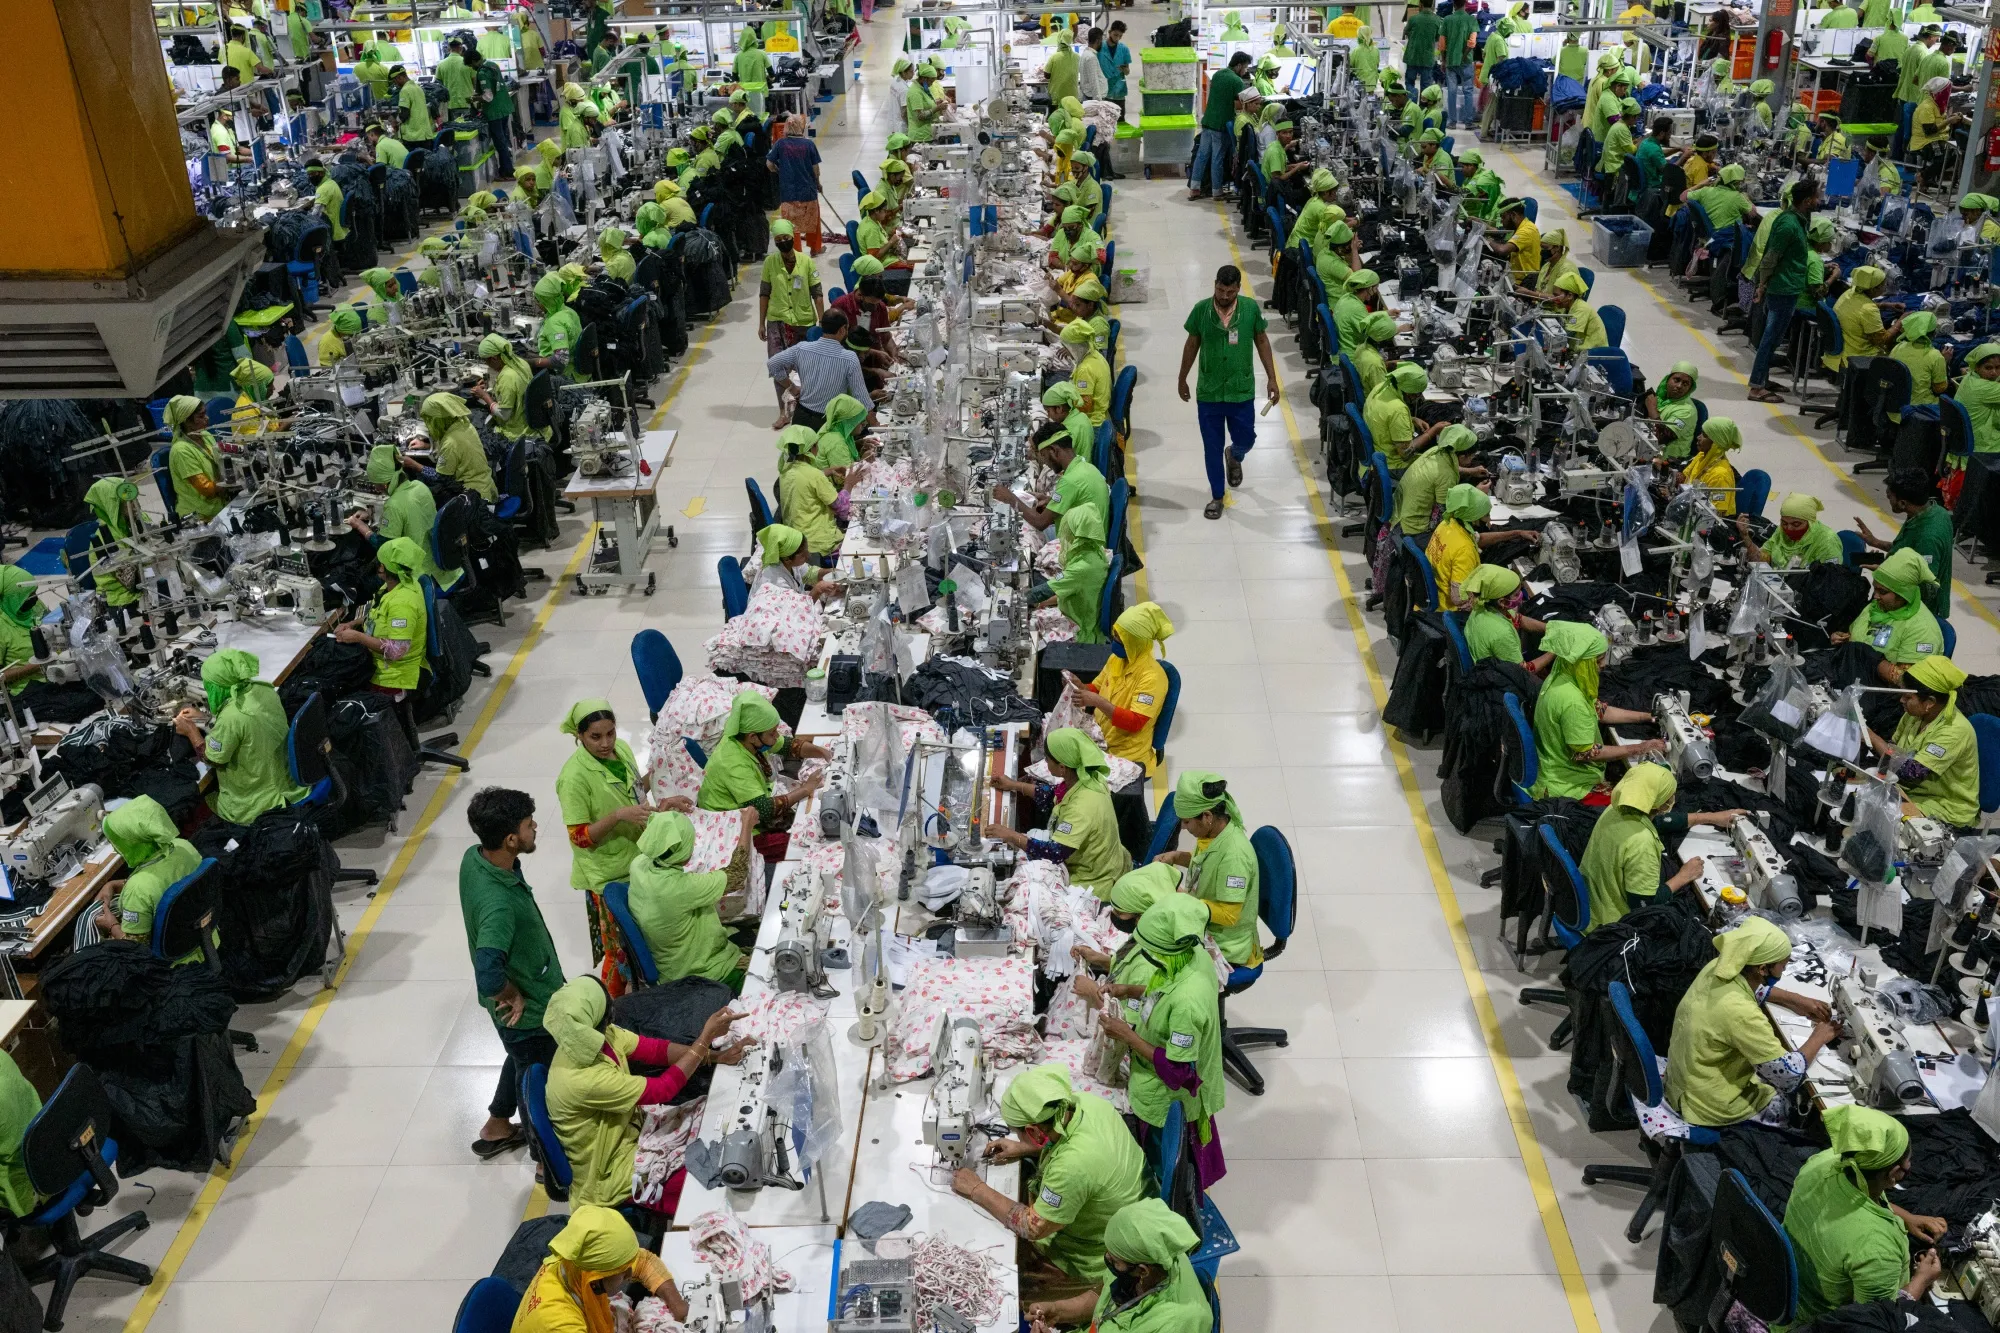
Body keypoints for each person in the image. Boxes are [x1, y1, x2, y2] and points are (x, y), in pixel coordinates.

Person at [950, 1062, 1148, 1303]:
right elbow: (1072, 1145)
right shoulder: (1087, 1104)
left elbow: (1032, 1227)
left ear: (1034, 1131)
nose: (1017, 1136)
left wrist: (977, 1189)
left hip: (1095, 1255)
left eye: (1018, 1132)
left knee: (997, 1285)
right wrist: (1025, 1147)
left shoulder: (1072, 1167)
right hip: (1129, 1213)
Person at [544, 974, 743, 1212]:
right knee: (709, 1178)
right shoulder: (581, 1079)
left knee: (713, 1116)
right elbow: (662, 1089)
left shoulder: (593, 1036)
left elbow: (656, 1050)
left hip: (631, 1128)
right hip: (609, 1169)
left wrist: (716, 1057)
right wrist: (704, 1040)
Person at [1071, 896, 1223, 1188]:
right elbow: (1166, 986)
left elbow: (1179, 1071)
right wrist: (1131, 990)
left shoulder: (1187, 1006)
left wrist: (1127, 1035)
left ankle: (1170, 1206)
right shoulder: (1193, 956)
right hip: (1166, 1070)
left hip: (1169, 1097)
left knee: (1166, 1167)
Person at [458, 787, 563, 1159]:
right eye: (528, 824)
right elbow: (488, 973)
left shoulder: (475, 859)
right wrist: (512, 993)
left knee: (518, 1055)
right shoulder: (498, 903)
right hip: (530, 1011)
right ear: (510, 839)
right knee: (538, 1080)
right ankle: (542, 1157)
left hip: (513, 1018)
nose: (535, 827)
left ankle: (497, 1125)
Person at [1664, 916, 1839, 1130]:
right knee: (1798, 1107)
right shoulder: (1742, 1014)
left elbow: (1754, 989)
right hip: (1709, 1104)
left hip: (1685, 1079)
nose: (1784, 970)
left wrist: (1795, 1000)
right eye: (1783, 965)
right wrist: (1820, 1035)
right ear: (1763, 969)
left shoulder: (1718, 968)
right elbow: (1789, 1076)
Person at [1784, 1106, 1947, 1327]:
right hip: (1815, 1322)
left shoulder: (1822, 1163)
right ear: (1893, 1175)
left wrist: (1907, 1217)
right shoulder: (1877, 1249)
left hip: (1786, 1288)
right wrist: (1922, 1279)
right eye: (1906, 1166)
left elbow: (1853, 1195)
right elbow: (1874, 1321)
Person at [556, 699, 666, 980]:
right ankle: (611, 1005)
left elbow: (634, 791)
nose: (606, 743)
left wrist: (656, 775)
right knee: (620, 950)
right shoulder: (573, 778)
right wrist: (618, 816)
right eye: (595, 737)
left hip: (636, 856)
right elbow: (579, 837)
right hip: (609, 871)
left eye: (610, 733)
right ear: (579, 736)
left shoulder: (623, 751)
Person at [1579, 766, 1746, 927]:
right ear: (1663, 804)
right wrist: (1684, 875)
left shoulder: (1616, 809)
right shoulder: (1642, 843)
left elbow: (1661, 821)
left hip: (1590, 903)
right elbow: (1644, 905)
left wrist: (1711, 817)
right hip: (1613, 922)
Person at [1176, 266, 1279, 521]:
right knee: (1211, 448)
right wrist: (1182, 377)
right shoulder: (1201, 310)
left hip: (1240, 390)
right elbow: (1192, 343)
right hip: (1209, 392)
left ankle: (1235, 455)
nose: (1224, 296)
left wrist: (1272, 378)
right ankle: (1217, 496)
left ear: (1238, 289)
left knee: (1247, 438)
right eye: (1220, 290)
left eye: (1229, 292)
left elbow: (1262, 340)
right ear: (1214, 285)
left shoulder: (1250, 309)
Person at [1025, 1199, 1213, 1333]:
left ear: (1142, 1271)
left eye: (1114, 1261)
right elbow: (1105, 1295)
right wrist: (1058, 1311)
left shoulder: (1173, 1324)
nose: (1107, 1260)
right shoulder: (1156, 1251)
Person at [172, 649, 307, 828]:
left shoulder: (232, 717)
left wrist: (191, 731)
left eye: (209, 685)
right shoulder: (263, 689)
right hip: (287, 779)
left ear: (218, 686)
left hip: (258, 801)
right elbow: (246, 724)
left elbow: (212, 759)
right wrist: (207, 718)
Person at [1532, 621, 1665, 800]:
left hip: (1553, 767)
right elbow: (1586, 753)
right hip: (1567, 785)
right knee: (1642, 805)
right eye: (1598, 660)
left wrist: (1646, 716)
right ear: (1581, 663)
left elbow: (1600, 710)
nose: (1602, 665)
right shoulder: (1572, 701)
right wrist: (1640, 748)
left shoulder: (1562, 675)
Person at [989, 729, 1130, 897]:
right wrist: (1014, 785)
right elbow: (1054, 794)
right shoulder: (1086, 778)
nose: (1046, 763)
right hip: (1108, 860)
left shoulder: (1081, 808)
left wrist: (1011, 836)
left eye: (1048, 759)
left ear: (1062, 768)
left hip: (1093, 879)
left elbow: (1055, 852)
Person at [696, 690, 830, 859]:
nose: (777, 736)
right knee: (800, 845)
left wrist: (823, 752)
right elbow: (763, 809)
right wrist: (806, 789)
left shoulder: (748, 739)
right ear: (753, 736)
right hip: (733, 826)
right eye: (772, 733)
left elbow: (788, 746)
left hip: (753, 805)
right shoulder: (733, 764)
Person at [511, 1205, 686, 1333]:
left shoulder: (576, 1261)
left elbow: (645, 1262)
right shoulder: (562, 1323)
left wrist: (677, 1305)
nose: (630, 1274)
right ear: (595, 1279)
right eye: (623, 1272)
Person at [628, 810, 752, 989]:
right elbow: (737, 874)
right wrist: (747, 823)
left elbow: (661, 835)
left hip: (668, 963)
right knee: (765, 973)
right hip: (697, 971)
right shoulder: (680, 888)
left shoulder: (638, 864)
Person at [1156, 770, 1260, 968]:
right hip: (1203, 919)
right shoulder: (1211, 834)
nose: (1184, 828)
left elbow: (1229, 915)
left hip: (1225, 944)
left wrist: (1185, 901)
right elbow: (1207, 863)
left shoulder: (1234, 856)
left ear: (1207, 816)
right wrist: (1177, 857)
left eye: (1186, 821)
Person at [1865, 655, 1979, 827]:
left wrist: (1870, 736)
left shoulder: (1954, 731)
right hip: (1910, 792)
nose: (1901, 700)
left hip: (1944, 807)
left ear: (1930, 702)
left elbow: (1910, 773)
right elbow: (1892, 748)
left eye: (1908, 697)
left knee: (1878, 819)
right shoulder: (1915, 715)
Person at [88, 796, 205, 962]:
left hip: (171, 962)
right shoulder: (182, 846)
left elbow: (136, 949)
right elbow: (166, 880)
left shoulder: (138, 889)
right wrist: (113, 884)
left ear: (131, 841)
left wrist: (112, 925)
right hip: (203, 936)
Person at [1061, 602, 1174, 775]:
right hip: (1101, 737)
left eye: (1120, 637)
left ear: (1136, 642)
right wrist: (1081, 686)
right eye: (1115, 634)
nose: (1115, 640)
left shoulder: (1152, 678)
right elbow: (1097, 687)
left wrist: (1096, 701)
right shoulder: (1117, 659)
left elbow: (1134, 722)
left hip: (1126, 755)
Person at [1748, 175, 1817, 403]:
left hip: (1787, 286)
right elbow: (1771, 257)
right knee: (1770, 338)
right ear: (1807, 201)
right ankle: (1757, 387)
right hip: (1782, 288)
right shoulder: (1788, 225)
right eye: (1816, 197)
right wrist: (1762, 284)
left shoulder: (1796, 220)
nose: (1819, 201)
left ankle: (1763, 379)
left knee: (1774, 338)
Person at [995, 391, 1105, 531]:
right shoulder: (1084, 467)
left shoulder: (1070, 481)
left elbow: (1040, 523)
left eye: (1043, 456)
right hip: (1086, 532)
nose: (1045, 463)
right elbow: (1075, 500)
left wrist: (1010, 498)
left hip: (1080, 548)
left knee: (1027, 532)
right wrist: (1050, 501)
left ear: (1053, 450)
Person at [334, 537, 427, 698]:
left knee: (339, 686)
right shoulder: (395, 585)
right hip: (378, 661)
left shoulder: (402, 603)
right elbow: (379, 614)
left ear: (382, 568)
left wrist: (358, 637)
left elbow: (395, 651)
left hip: (394, 677)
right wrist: (353, 623)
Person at [1836, 548, 1945, 682]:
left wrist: (1868, 657)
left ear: (1903, 594)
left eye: (1882, 592)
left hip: (1885, 692)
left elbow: (1907, 680)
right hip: (1855, 674)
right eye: (1875, 588)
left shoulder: (1922, 629)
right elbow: (1858, 636)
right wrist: (1844, 639)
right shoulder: (1878, 607)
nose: (1875, 596)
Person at [1856, 469, 1953, 618]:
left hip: (1914, 611)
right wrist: (1876, 542)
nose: (1888, 500)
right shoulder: (1932, 511)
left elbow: (1927, 588)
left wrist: (1886, 573)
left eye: (1889, 497)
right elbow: (1907, 549)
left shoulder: (1927, 537)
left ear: (1902, 503)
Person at [759, 221, 825, 427]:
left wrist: (822, 322)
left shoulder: (806, 262)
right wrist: (761, 323)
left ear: (793, 237)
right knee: (778, 365)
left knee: (806, 367)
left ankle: (807, 407)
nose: (783, 243)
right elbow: (764, 293)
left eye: (786, 238)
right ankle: (784, 410)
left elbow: (818, 293)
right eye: (778, 241)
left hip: (803, 323)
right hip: (777, 322)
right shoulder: (770, 263)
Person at [765, 310, 872, 431]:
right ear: (842, 329)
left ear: (822, 326)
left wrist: (793, 388)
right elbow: (862, 398)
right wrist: (876, 424)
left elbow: (772, 364)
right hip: (829, 424)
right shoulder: (849, 358)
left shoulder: (801, 348)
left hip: (801, 419)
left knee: (800, 449)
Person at [1394, 423, 1486, 537]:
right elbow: (1444, 516)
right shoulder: (1447, 476)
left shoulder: (1436, 451)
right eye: (1472, 457)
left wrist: (1470, 471)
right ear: (1462, 457)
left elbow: (1447, 468)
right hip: (1414, 527)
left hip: (1401, 512)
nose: (1472, 460)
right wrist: (1476, 494)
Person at [411, 392, 498, 502]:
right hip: (487, 487)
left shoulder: (450, 443)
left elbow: (440, 477)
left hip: (475, 499)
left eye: (429, 420)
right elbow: (458, 449)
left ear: (438, 420)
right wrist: (427, 445)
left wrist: (414, 465)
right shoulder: (465, 425)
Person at [1459, 565, 1550, 669]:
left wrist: (1550, 628)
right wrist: (1554, 651)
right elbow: (1523, 672)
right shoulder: (1502, 633)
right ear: (1502, 601)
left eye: (1521, 591)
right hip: (1498, 678)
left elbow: (1519, 619)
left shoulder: (1482, 606)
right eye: (1516, 595)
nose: (1521, 596)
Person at [1190, 52, 1251, 200]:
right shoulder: (1237, 81)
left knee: (1202, 155)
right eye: (1245, 67)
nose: (1246, 71)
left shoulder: (1218, 74)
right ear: (1239, 65)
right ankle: (1217, 191)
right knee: (1217, 157)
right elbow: (1238, 105)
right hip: (1220, 124)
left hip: (1208, 120)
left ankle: (1194, 188)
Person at [160, 396, 232, 522]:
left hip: (221, 504)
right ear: (187, 421)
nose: (207, 418)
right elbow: (207, 489)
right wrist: (234, 480)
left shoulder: (206, 435)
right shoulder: (181, 451)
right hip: (200, 515)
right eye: (201, 416)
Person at [1365, 362, 1443, 473]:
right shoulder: (1398, 410)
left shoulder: (1381, 387)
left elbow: (1385, 416)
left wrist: (1411, 419)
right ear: (1408, 392)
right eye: (1417, 394)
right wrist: (1432, 432)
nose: (1419, 398)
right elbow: (1406, 454)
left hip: (1377, 450)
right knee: (1442, 468)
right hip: (1393, 466)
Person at [777, 431, 843, 556]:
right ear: (811, 448)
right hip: (818, 543)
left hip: (797, 538)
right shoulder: (814, 475)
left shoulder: (785, 471)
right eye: (816, 445)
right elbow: (840, 507)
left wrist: (827, 471)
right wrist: (849, 484)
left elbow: (804, 479)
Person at [1825, 266, 1900, 372]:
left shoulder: (1849, 293)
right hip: (1857, 354)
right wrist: (1901, 321)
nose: (1885, 287)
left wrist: (1884, 305)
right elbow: (1881, 340)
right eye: (1883, 285)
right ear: (1874, 289)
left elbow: (1858, 307)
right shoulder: (1869, 310)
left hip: (1843, 347)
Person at [766, 116, 824, 255]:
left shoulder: (780, 144)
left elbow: (769, 164)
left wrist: (778, 171)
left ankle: (796, 251)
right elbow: (815, 168)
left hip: (788, 192)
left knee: (791, 224)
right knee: (813, 219)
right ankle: (815, 248)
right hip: (808, 190)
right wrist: (818, 183)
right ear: (801, 127)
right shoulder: (808, 144)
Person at [1740, 492, 1843, 568]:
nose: (1789, 528)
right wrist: (1746, 537)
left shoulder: (1827, 542)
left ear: (1810, 522)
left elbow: (1830, 582)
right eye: (1784, 523)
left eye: (1796, 524)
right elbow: (1762, 559)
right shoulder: (1782, 532)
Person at [1889, 312, 1950, 423]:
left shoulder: (1898, 347)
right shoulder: (1935, 356)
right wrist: (1944, 363)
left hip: (1893, 408)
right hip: (1918, 412)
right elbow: (1939, 388)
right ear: (1934, 333)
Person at [1681, 417, 1742, 517]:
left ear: (1716, 443)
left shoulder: (1720, 475)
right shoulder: (1701, 456)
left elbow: (1716, 514)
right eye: (1701, 433)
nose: (1698, 437)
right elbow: (1685, 477)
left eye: (1705, 436)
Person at [1956, 342, 2000, 455]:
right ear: (1977, 367)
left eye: (1998, 367)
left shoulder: (1969, 377)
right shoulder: (1986, 388)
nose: (1994, 372)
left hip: (1965, 442)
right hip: (1982, 446)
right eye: (1988, 368)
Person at [1548, 272, 1608, 352]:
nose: (1554, 298)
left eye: (1556, 295)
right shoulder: (1566, 307)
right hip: (1577, 350)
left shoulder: (1581, 309)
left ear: (1569, 296)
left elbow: (1567, 335)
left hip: (1592, 353)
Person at [1402, 0, 1443, 93]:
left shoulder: (1413, 19)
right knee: (1425, 86)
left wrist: (1413, 36)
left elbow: (1406, 32)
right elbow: (1437, 37)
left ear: (1420, 4)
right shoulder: (1437, 20)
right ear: (1432, 5)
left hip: (1412, 56)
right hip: (1427, 57)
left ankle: (1412, 99)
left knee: (1409, 82)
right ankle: (1423, 106)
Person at [390, 64, 434, 148]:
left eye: (394, 81)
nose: (395, 84)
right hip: (425, 134)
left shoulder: (405, 90)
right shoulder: (418, 87)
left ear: (399, 77)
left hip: (413, 137)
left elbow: (404, 113)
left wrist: (395, 121)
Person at [1099, 22, 1132, 113]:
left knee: (1120, 119)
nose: (1117, 38)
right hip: (1104, 90)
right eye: (1115, 35)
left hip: (1119, 90)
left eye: (1120, 36)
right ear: (1110, 32)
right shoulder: (1100, 47)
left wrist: (1125, 69)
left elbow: (1127, 72)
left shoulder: (1124, 49)